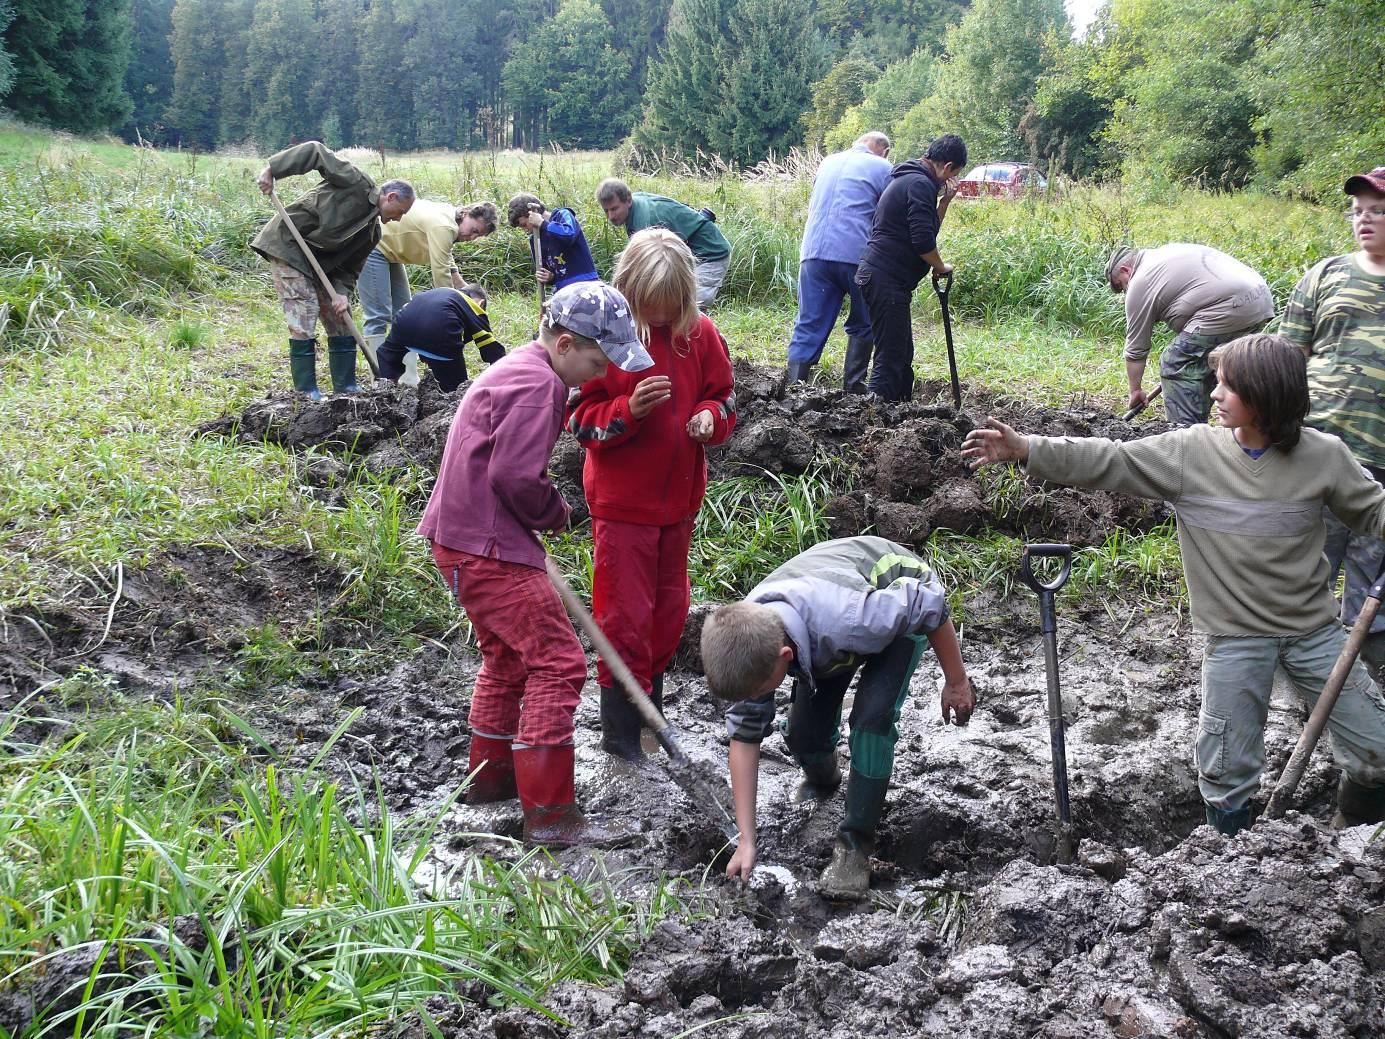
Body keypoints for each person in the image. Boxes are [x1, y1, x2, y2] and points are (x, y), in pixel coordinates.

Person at [961, 333, 1385, 837]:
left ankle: (1352, 836)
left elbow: (1374, 511)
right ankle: (1229, 858)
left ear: (1266, 396)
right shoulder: (1191, 454)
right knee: (1226, 771)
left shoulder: (1324, 457)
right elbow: (1110, 459)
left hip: (1315, 632)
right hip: (1236, 635)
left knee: (1376, 753)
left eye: (1227, 386)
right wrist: (1028, 448)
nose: (1213, 395)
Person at [418, 282, 655, 847]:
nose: (598, 376)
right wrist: (556, 511)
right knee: (558, 662)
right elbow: (516, 478)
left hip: (461, 538)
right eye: (597, 362)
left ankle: (490, 784)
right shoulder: (535, 385)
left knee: (507, 658)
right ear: (567, 343)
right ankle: (552, 817)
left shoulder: (521, 369)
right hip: (490, 546)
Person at [701, 535, 975, 900]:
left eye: (758, 691)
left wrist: (956, 682)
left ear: (785, 656)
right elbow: (745, 736)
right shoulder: (746, 636)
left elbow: (930, 606)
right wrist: (746, 840)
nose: (755, 700)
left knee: (870, 722)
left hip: (898, 597)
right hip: (828, 622)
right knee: (803, 735)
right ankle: (825, 780)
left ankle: (855, 846)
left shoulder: (852, 620)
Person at [566, 229, 737, 760]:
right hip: (622, 505)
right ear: (628, 293)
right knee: (623, 615)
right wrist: (629, 412)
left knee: (669, 609)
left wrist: (711, 418)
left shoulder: (701, 334)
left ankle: (649, 714)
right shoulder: (606, 342)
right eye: (650, 312)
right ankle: (621, 734)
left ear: (688, 297)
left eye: (671, 311)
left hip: (680, 502)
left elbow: (724, 397)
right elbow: (581, 421)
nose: (661, 322)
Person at [1280, 166, 1385, 685]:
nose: (1365, 220)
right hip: (1317, 458)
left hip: (1381, 472)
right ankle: (1298, 690)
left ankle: (1362, 698)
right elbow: (1288, 360)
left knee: (1373, 598)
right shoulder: (1324, 275)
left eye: (1378, 211)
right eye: (1358, 212)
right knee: (1301, 579)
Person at [250, 141, 414, 400]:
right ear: (390, 197)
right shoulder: (355, 182)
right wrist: (272, 169)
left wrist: (341, 295)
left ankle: (346, 388)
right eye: (401, 212)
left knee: (341, 319)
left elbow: (348, 272)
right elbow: (316, 152)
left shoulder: (373, 233)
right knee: (305, 311)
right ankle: (306, 392)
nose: (399, 218)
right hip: (289, 246)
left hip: (320, 266)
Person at [1106, 243, 1274, 425]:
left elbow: (1136, 350)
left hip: (1228, 307)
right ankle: (1240, 427)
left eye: (1122, 285)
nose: (1125, 292)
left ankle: (1184, 435)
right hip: (1260, 301)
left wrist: (1135, 391)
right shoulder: (1163, 255)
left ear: (1125, 270)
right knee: (1220, 364)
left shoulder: (1140, 280)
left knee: (1175, 363)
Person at [853, 133, 966, 401]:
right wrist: (941, 266)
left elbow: (925, 228)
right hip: (885, 278)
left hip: (886, 278)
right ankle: (874, 417)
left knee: (902, 354)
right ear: (948, 167)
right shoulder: (919, 183)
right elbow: (923, 241)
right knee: (890, 357)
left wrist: (945, 202)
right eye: (954, 173)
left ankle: (902, 415)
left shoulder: (912, 179)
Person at [786, 132, 893, 390]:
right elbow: (888, 211)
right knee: (864, 320)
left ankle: (794, 387)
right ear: (885, 151)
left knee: (809, 321)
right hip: (857, 255)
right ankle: (853, 388)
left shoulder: (828, 161)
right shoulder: (883, 167)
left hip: (813, 253)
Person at [360, 200, 499, 385]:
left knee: (404, 309)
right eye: (473, 230)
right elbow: (440, 273)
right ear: (465, 213)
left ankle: (408, 378)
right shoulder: (445, 226)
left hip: (392, 252)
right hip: (374, 246)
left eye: (478, 235)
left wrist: (462, 286)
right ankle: (379, 379)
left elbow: (446, 258)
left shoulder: (450, 221)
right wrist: (455, 305)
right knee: (378, 315)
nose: (472, 237)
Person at [596, 178, 732, 307]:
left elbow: (647, 270)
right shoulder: (633, 206)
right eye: (606, 211)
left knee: (692, 307)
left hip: (711, 252)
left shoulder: (645, 222)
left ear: (629, 200)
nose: (610, 217)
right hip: (687, 253)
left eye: (614, 209)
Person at [375, 284, 504, 392]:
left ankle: (386, 391)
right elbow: (489, 345)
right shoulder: (473, 305)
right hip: (441, 330)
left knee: (388, 357)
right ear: (480, 303)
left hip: (402, 325)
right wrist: (504, 368)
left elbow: (416, 314)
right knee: (456, 389)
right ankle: (453, 401)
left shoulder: (436, 293)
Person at [507, 193, 600, 292]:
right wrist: (550, 277)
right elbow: (547, 269)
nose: (525, 230)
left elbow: (569, 235)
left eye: (524, 224)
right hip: (563, 289)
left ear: (533, 213)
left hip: (586, 283)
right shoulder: (535, 239)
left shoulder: (563, 215)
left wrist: (542, 223)